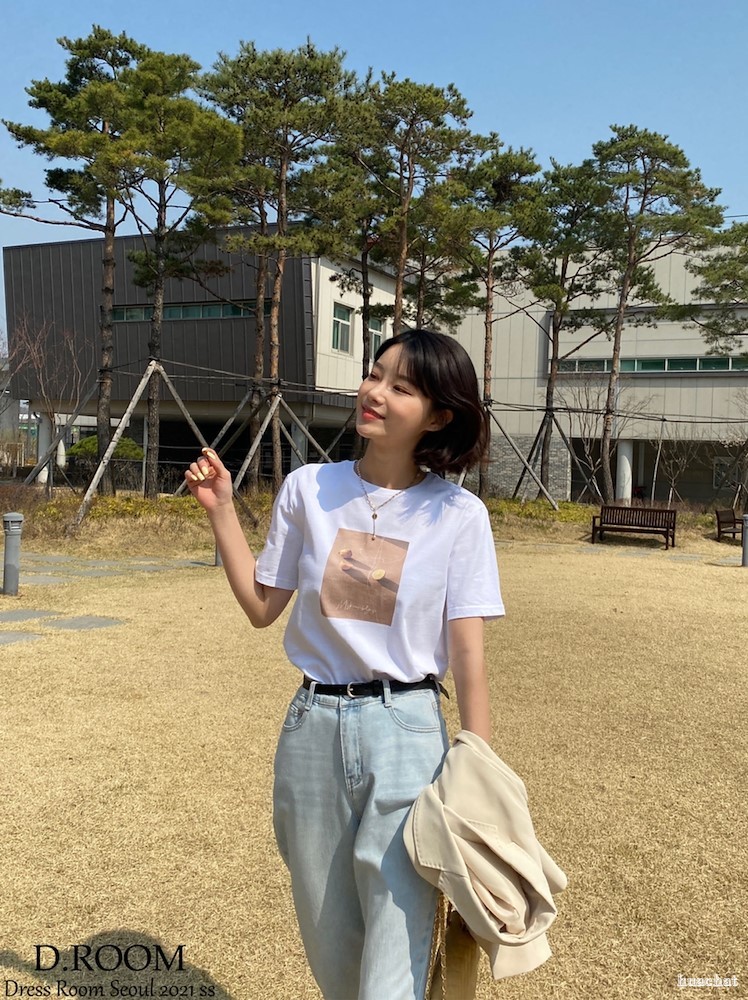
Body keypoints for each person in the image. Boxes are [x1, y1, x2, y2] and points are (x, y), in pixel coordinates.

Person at [184, 329, 505, 1000]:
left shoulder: (458, 515)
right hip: (312, 730)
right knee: (333, 951)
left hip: (408, 730)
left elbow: (468, 650)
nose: (374, 392)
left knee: (395, 957)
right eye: (374, 374)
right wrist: (222, 513)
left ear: (439, 416)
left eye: (401, 386)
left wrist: (477, 765)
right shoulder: (310, 488)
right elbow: (262, 606)